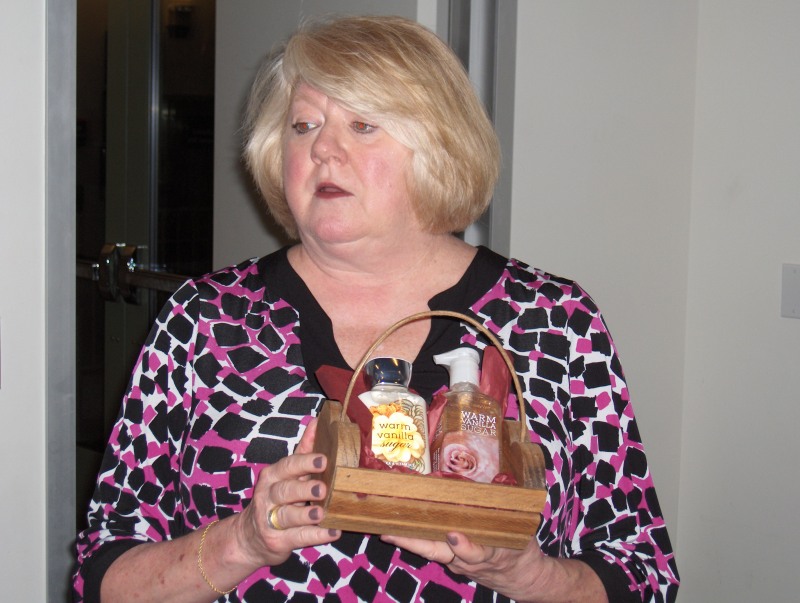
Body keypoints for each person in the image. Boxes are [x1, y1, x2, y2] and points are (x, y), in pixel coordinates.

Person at [73, 15, 679, 603]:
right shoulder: (205, 321)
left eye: (363, 125)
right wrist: (244, 541)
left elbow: (642, 574)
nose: (323, 149)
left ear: (438, 146)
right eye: (303, 126)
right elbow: (102, 577)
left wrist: (526, 576)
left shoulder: (555, 321)